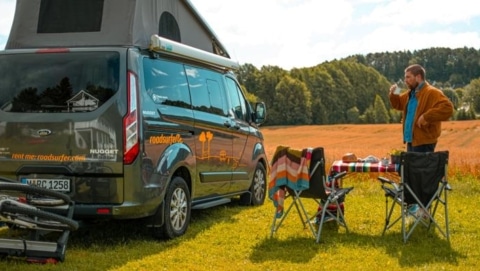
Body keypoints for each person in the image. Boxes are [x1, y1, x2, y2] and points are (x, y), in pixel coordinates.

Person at [389, 64, 453, 153]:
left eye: (408, 77)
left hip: (424, 143)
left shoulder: (431, 92)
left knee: (420, 167)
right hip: (411, 140)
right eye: (405, 78)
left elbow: (448, 108)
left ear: (418, 77)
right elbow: (398, 104)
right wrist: (394, 92)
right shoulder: (411, 93)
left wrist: (426, 117)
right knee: (412, 167)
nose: (405, 81)